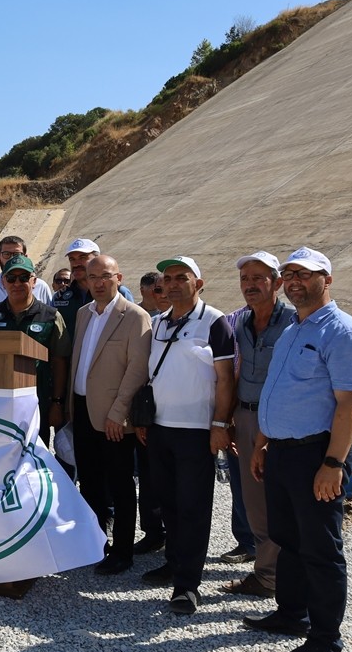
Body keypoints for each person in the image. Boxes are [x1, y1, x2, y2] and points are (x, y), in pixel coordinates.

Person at [243, 247, 352, 652]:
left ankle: (325, 640)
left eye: (306, 273)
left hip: (315, 456)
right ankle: (291, 614)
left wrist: (333, 465)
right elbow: (277, 391)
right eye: (290, 273)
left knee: (321, 549)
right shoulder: (294, 329)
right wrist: (262, 443)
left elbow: (348, 408)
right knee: (288, 539)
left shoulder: (344, 333)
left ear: (327, 279)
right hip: (282, 453)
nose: (296, 280)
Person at [135, 256, 235, 616]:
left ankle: (188, 585)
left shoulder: (215, 322)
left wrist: (221, 424)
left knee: (193, 507)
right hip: (160, 429)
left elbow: (225, 379)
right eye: (168, 278)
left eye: (182, 277)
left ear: (199, 283)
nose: (173, 284)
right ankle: (174, 563)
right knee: (169, 504)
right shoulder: (159, 323)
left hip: (195, 431)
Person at [68, 255, 151, 575]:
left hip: (114, 418)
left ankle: (123, 551)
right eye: (92, 277)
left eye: (105, 276)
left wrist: (119, 414)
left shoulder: (134, 316)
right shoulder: (83, 314)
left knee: (119, 484)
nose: (98, 283)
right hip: (84, 412)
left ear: (119, 277)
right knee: (88, 482)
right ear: (85, 280)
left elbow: (137, 369)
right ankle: (95, 542)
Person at [219, 251, 295, 599]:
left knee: (282, 503)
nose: (249, 286)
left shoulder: (294, 324)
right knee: (254, 503)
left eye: (258, 279)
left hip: (281, 424)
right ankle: (267, 577)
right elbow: (235, 375)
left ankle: (289, 581)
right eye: (244, 279)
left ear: (277, 283)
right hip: (246, 418)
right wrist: (229, 419)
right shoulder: (240, 324)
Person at [0, 255, 70, 445]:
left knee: (33, 458)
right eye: (11, 278)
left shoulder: (50, 317)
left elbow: (60, 362)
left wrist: (57, 403)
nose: (17, 283)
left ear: (34, 281)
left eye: (23, 277)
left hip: (36, 403)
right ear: (4, 282)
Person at [133, 269, 167, 554]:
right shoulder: (141, 320)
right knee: (149, 473)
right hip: (149, 409)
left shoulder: (203, 321)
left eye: (164, 288)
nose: (163, 294)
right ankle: (154, 530)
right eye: (157, 289)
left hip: (180, 413)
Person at [57, 238, 135, 339]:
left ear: (97, 259)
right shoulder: (60, 297)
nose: (76, 264)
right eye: (72, 259)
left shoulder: (120, 292)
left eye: (82, 257)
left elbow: (131, 327)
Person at [0, 236, 56, 310]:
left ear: (25, 257)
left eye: (17, 254)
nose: (12, 259)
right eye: (6, 254)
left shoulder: (41, 287)